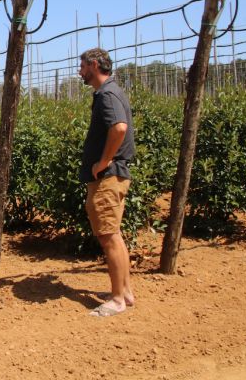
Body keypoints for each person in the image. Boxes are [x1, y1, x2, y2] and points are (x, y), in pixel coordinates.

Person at [78, 48, 136, 317]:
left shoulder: (107, 94)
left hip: (108, 177)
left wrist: (103, 162)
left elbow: (119, 128)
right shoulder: (111, 92)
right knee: (114, 235)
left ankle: (116, 300)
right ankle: (124, 291)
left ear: (93, 65)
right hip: (114, 175)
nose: (79, 71)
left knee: (108, 236)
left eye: (82, 66)